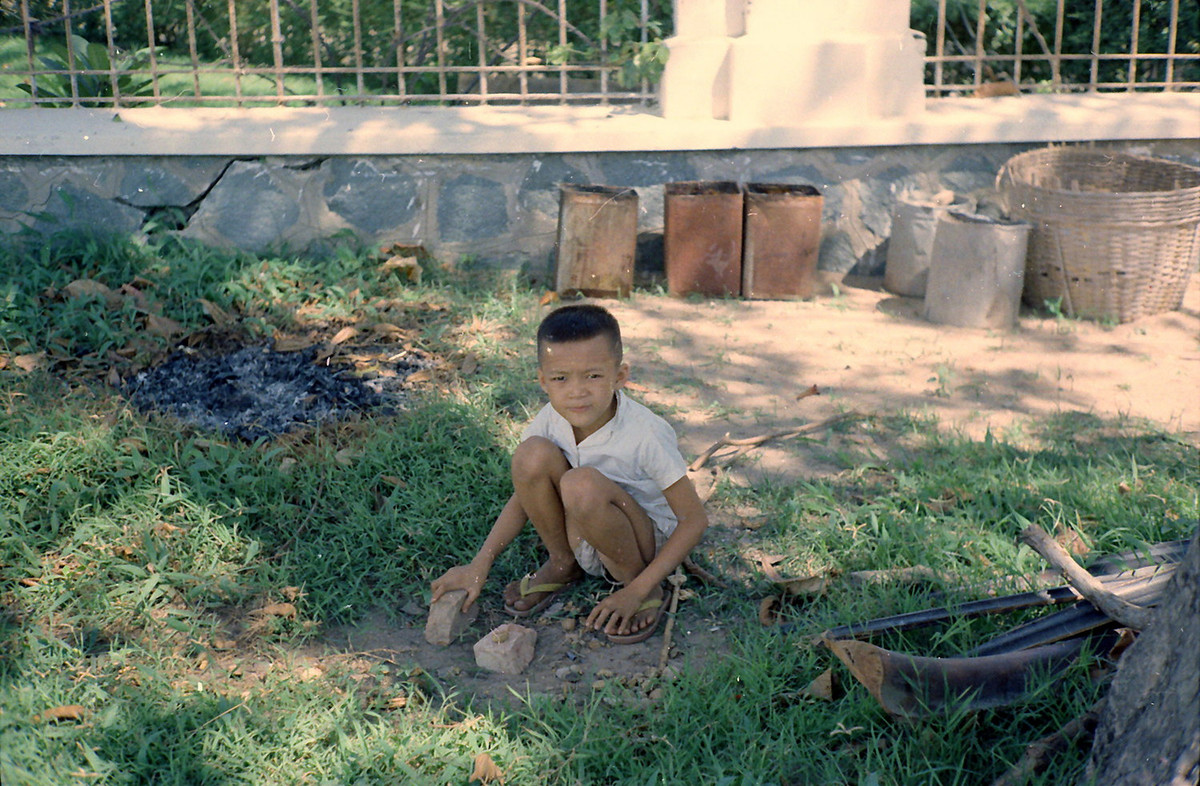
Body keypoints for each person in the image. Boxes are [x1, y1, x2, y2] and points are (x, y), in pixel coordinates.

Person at [430, 303, 709, 644]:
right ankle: (564, 563)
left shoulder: (645, 433)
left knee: (581, 483)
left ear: (619, 376)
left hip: (642, 542)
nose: (577, 391)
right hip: (585, 524)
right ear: (543, 381)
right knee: (530, 455)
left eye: (593, 375)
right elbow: (525, 493)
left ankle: (641, 589)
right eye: (561, 378)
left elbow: (693, 520)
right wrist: (479, 564)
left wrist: (638, 588)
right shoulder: (550, 419)